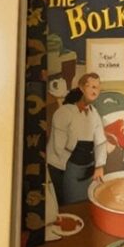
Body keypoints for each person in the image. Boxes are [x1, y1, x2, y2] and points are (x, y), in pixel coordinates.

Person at [46, 67, 108, 208]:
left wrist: (99, 166)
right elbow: (58, 147)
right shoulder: (65, 112)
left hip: (85, 167)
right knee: (68, 204)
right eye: (92, 86)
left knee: (86, 203)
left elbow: (100, 142)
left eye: (98, 87)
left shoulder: (94, 113)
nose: (95, 91)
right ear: (81, 87)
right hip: (63, 166)